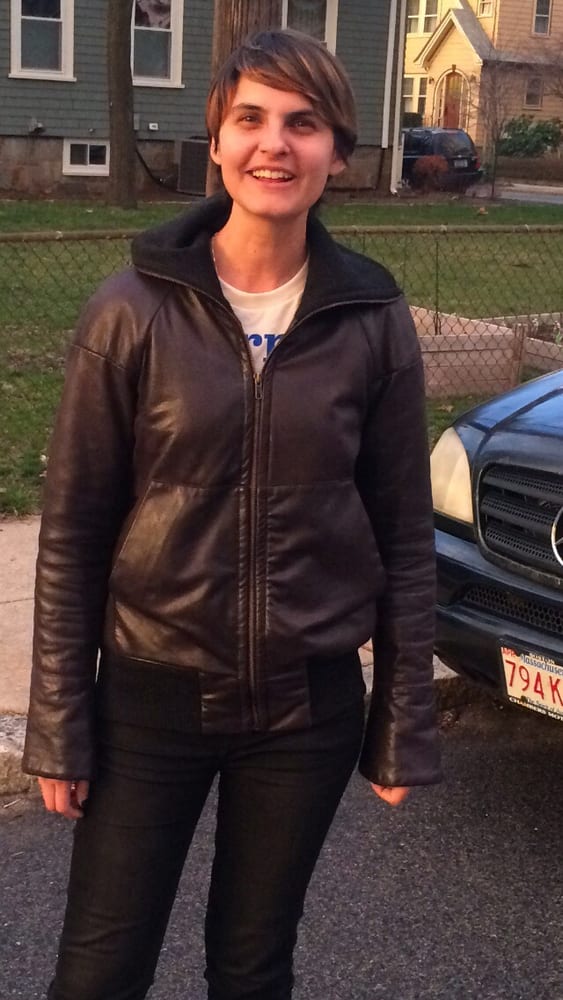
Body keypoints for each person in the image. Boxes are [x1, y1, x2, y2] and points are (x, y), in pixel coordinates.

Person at [23, 28, 441, 1000]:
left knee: (252, 966)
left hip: (305, 709)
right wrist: (61, 723)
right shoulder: (131, 310)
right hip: (148, 701)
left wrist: (402, 721)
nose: (274, 145)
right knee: (99, 969)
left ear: (338, 153)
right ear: (214, 142)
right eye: (249, 119)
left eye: (303, 123)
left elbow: (402, 535)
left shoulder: (371, 319)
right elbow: (73, 534)